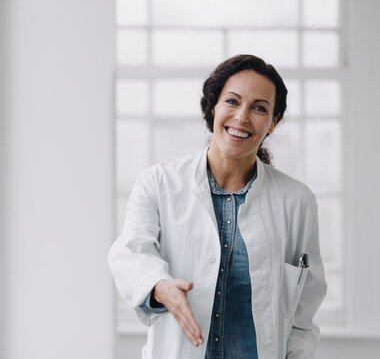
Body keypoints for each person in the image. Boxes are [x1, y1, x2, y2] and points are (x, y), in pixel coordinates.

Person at [108, 54, 327, 359]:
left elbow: (303, 316)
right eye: (232, 101)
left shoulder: (297, 201)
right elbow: (130, 253)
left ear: (273, 123)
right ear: (213, 106)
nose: (242, 117)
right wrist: (159, 286)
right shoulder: (158, 183)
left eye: (259, 108)